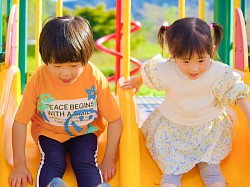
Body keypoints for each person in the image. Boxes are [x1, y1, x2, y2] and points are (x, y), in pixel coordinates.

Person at [121, 17, 250, 187]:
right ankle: (170, 180)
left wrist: (248, 115)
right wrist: (136, 81)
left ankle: (213, 177)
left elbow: (237, 92)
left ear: (211, 50)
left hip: (208, 131)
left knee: (211, 168)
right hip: (173, 131)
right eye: (186, 61)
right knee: (171, 172)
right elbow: (148, 73)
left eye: (201, 60)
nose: (194, 68)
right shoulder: (166, 69)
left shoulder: (219, 72)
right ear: (173, 54)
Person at [9, 15, 122, 187]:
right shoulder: (39, 79)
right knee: (53, 160)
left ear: (86, 57)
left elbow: (115, 119)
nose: (66, 73)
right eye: (57, 66)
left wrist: (109, 160)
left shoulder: (94, 77)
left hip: (85, 132)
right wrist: (19, 165)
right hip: (50, 132)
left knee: (84, 161)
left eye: (74, 65)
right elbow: (19, 122)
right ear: (45, 60)